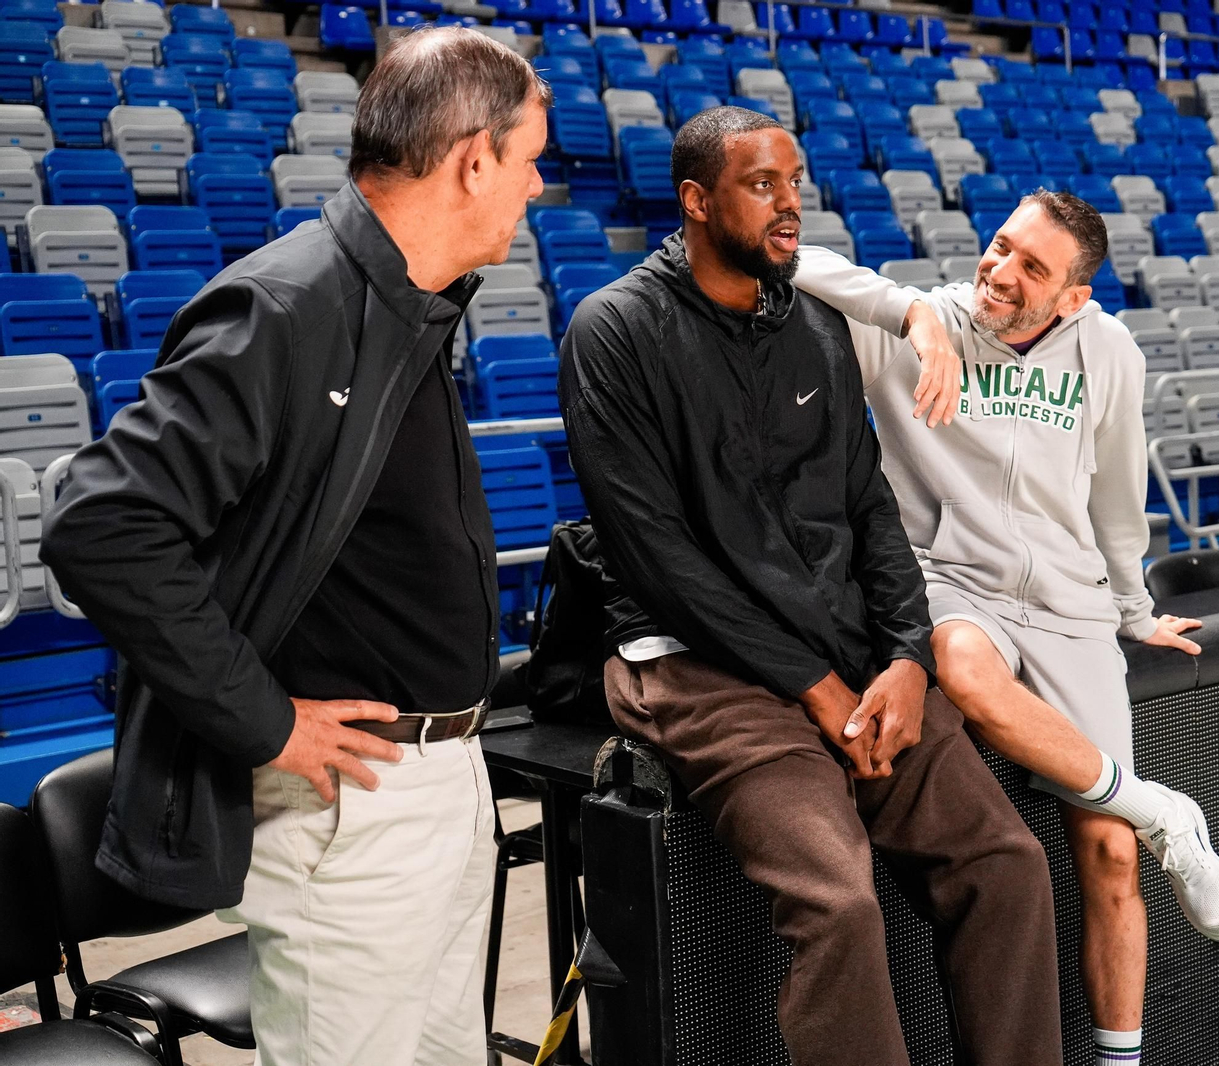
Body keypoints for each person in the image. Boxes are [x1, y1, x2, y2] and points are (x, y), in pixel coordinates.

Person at [40, 29, 550, 1066]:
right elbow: (99, 526)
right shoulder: (287, 304)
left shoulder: (410, 306)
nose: (537, 187)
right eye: (530, 158)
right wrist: (265, 721)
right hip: (348, 807)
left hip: (445, 780)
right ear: (472, 159)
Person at [557, 106, 1062, 1066]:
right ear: (697, 201)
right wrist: (816, 687)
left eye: (795, 182)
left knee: (1008, 865)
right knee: (838, 903)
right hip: (701, 670)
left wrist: (909, 660)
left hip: (853, 659)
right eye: (761, 185)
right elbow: (658, 560)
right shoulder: (615, 329)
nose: (791, 206)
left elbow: (869, 508)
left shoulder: (817, 326)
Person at [792, 190, 1219, 1066]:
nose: (1001, 272)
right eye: (1000, 246)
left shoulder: (1110, 349)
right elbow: (793, 261)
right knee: (964, 670)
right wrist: (913, 317)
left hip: (1068, 602)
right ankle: (1166, 812)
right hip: (951, 579)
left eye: (1031, 266)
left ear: (1074, 296)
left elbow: (1119, 494)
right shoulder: (918, 322)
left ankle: (1123, 1052)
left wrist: (1133, 609)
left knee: (1111, 854)